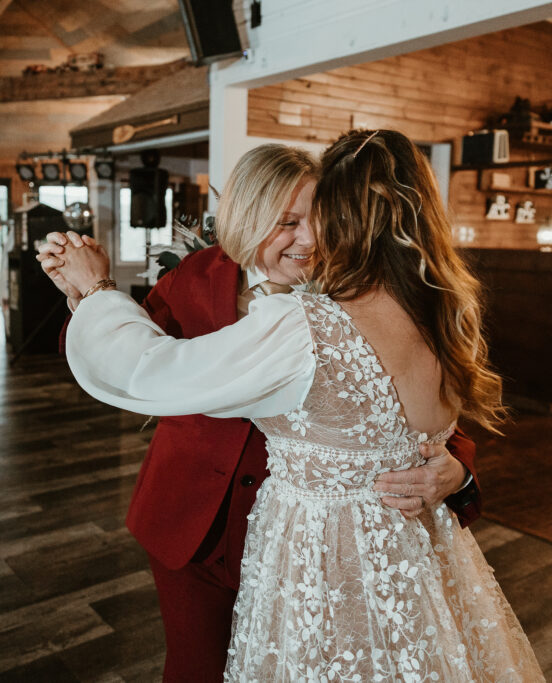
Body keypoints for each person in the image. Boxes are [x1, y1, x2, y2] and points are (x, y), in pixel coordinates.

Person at [38, 143, 484, 680]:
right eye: (287, 222)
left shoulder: (357, 293)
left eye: (323, 220)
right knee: (195, 669)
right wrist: (82, 297)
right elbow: (127, 356)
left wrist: (457, 470)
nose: (311, 240)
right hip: (193, 526)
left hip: (314, 551)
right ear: (250, 219)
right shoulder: (196, 276)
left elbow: (422, 407)